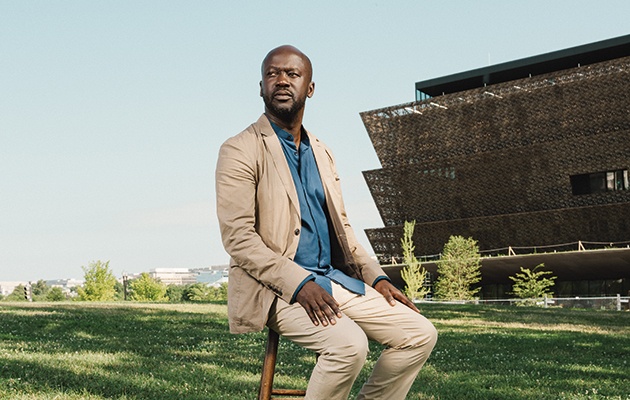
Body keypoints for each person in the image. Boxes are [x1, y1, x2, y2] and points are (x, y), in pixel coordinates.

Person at [215, 45, 437, 400]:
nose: (282, 80)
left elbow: (343, 228)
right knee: (349, 346)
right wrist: (299, 283)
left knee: (420, 333)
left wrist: (376, 277)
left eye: (292, 74)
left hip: (335, 281)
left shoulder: (322, 151)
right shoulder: (240, 149)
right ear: (261, 87)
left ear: (310, 88)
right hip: (279, 290)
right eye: (272, 74)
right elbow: (238, 238)